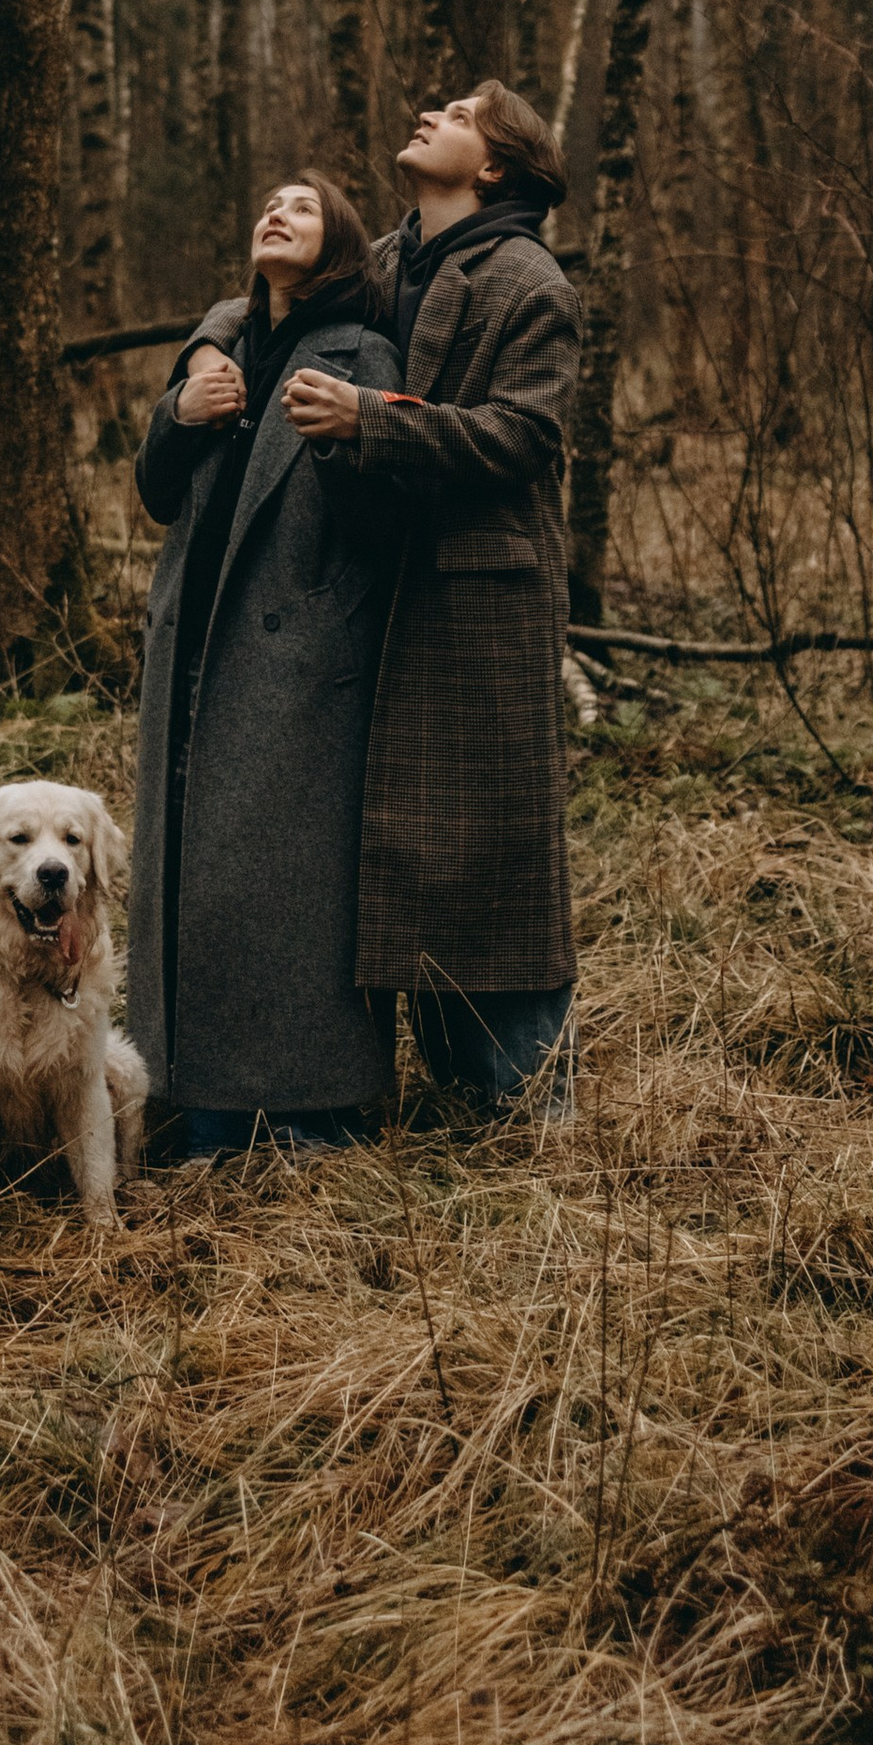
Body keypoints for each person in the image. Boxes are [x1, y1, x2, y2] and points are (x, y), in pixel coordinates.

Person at [280, 82, 580, 1111]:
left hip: (478, 599)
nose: (425, 112)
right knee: (392, 839)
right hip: (371, 586)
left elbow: (521, 435)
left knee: (487, 849)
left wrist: (373, 419)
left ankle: (522, 1102)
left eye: (456, 112)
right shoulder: (381, 264)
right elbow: (266, 308)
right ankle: (415, 1091)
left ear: (493, 165)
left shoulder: (528, 278)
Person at [126, 170, 404, 1158]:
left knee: (278, 886)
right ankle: (195, 1104)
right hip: (191, 637)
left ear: (336, 247)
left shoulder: (361, 349)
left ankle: (306, 1109)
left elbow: (384, 518)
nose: (276, 213)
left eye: (304, 206)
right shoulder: (223, 343)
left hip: (296, 659)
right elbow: (157, 492)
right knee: (190, 878)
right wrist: (180, 412)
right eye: (269, 203)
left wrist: (344, 439)